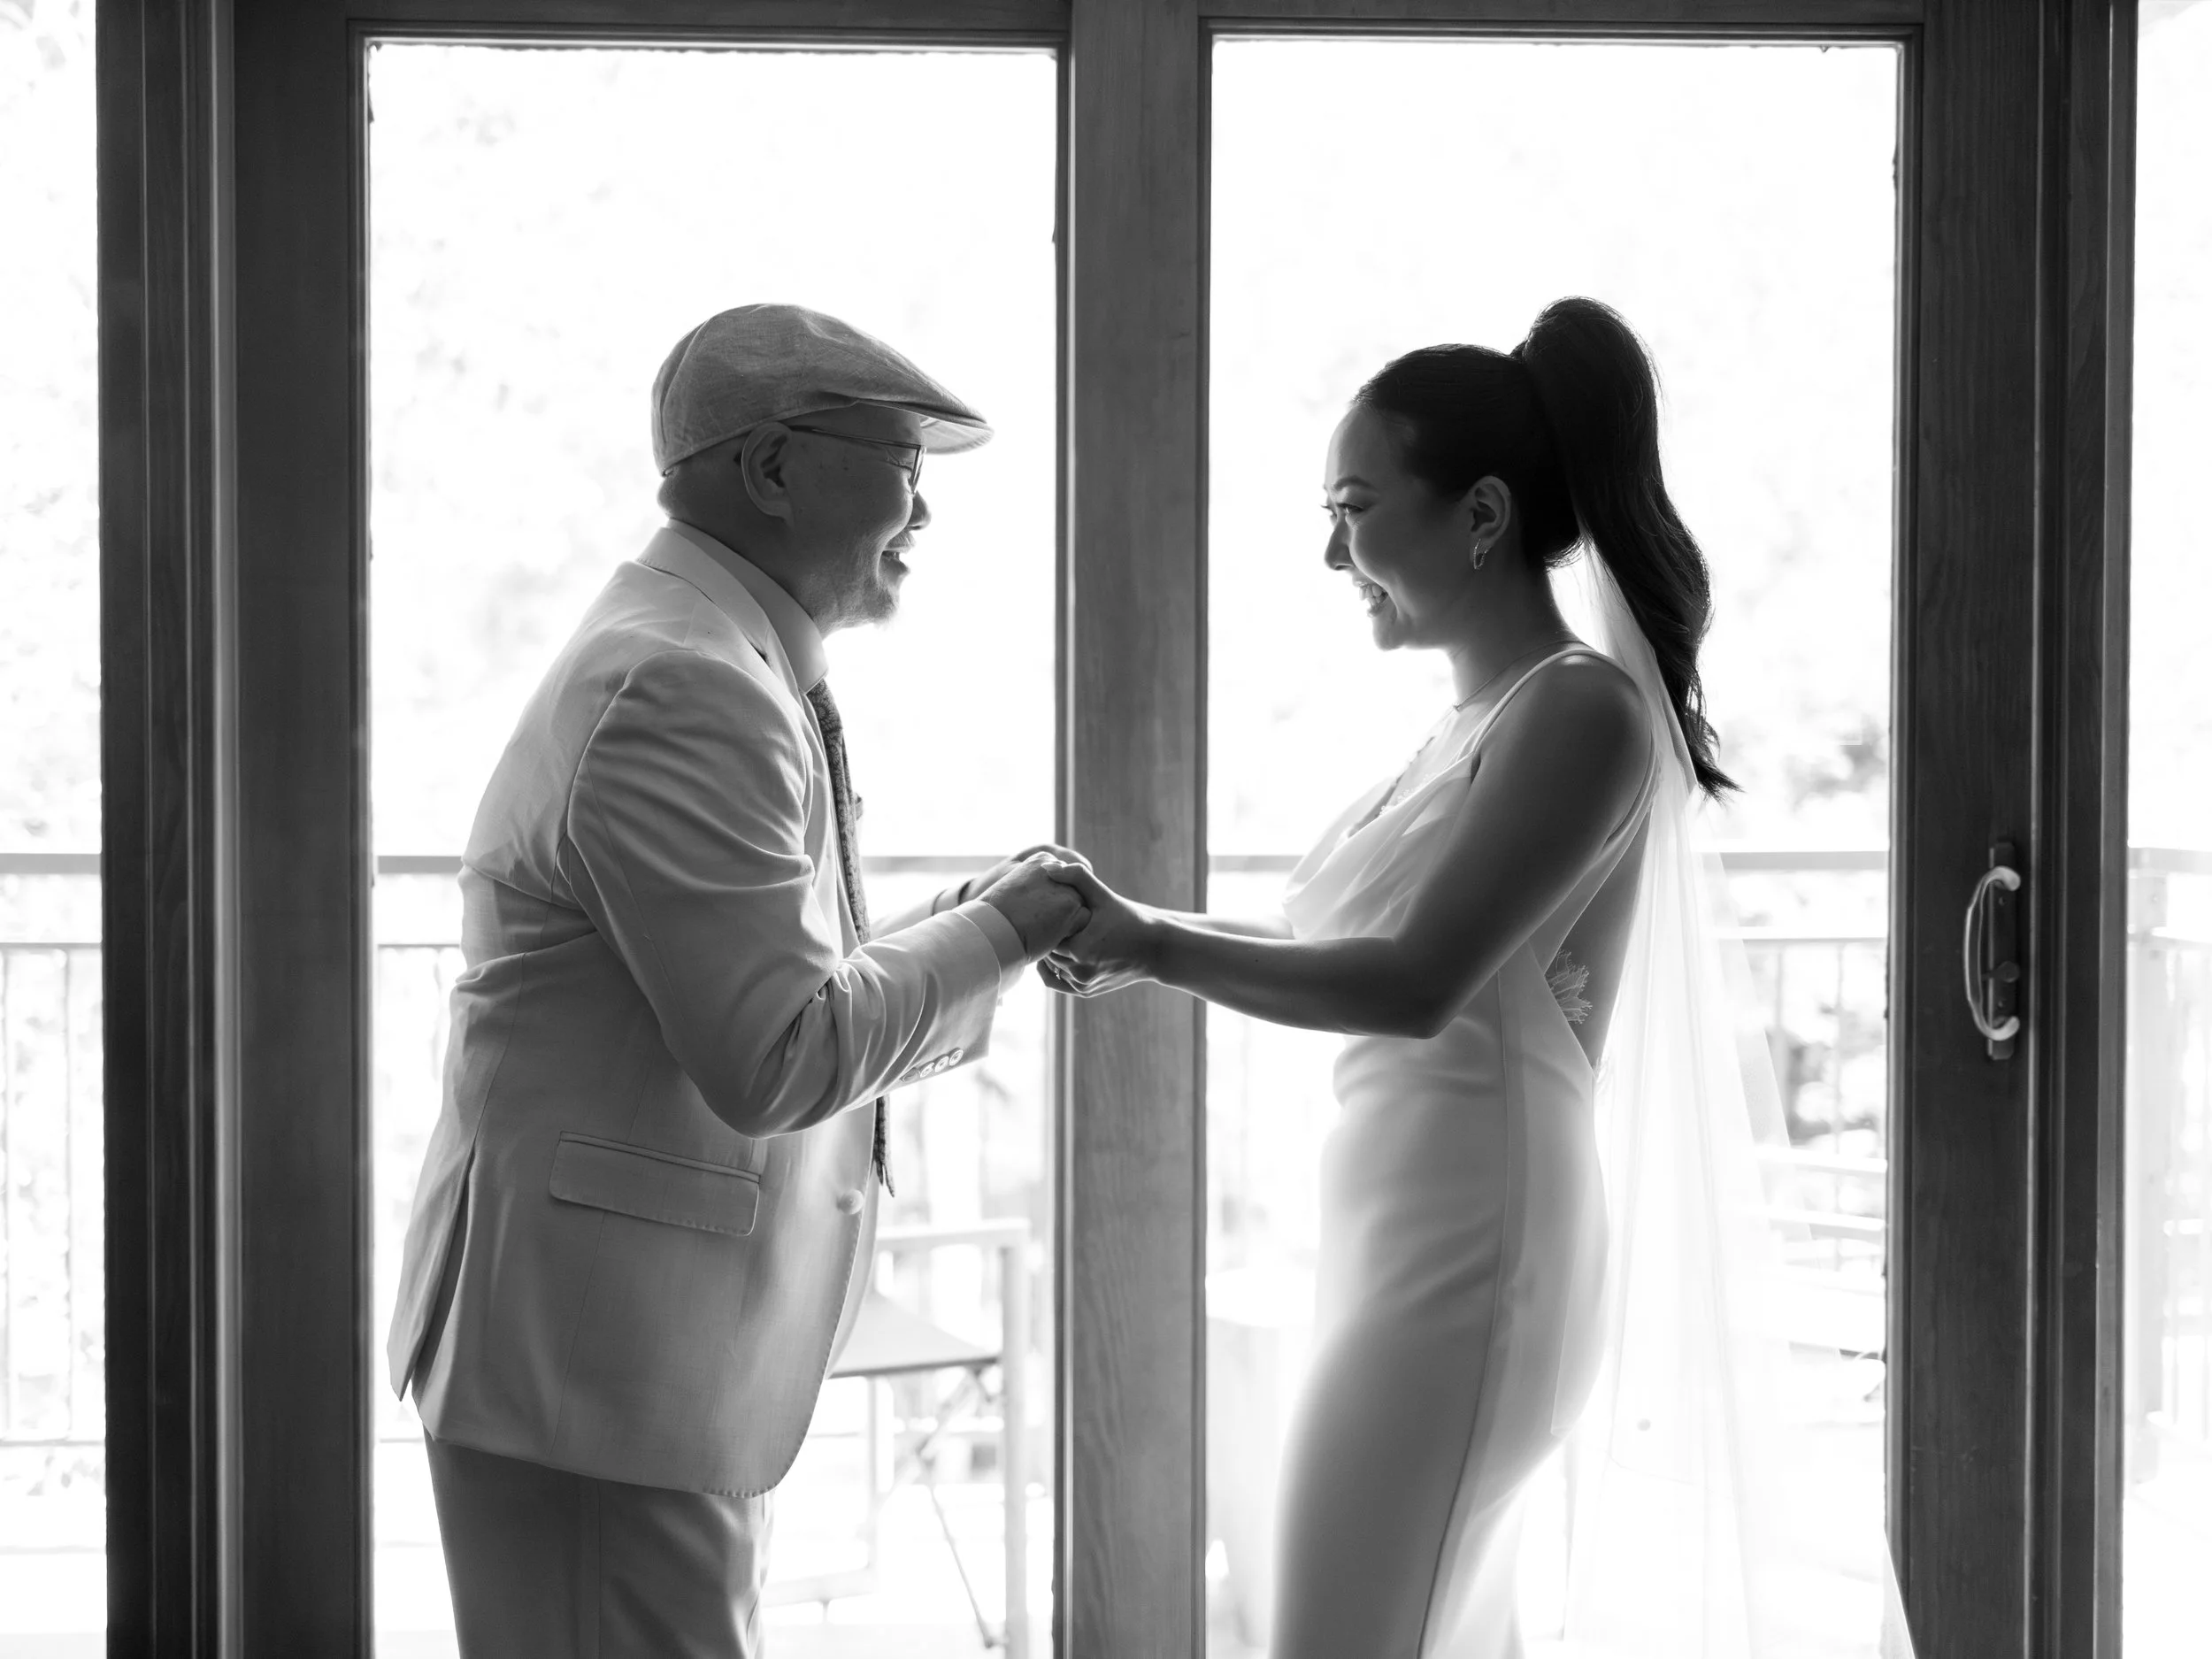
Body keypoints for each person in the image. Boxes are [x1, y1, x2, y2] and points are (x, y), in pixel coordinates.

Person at [1043, 298, 1914, 1657]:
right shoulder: (1477, 719)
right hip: (1408, 1242)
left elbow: (1415, 982)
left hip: (1474, 1259)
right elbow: (1333, 942)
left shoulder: (1580, 711)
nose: (1331, 552)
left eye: (1354, 509)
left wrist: (1150, 945)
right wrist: (1127, 917)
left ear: (1483, 514)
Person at [384, 303, 1088, 1658]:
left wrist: (973, 924)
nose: (924, 511)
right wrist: (1004, 931)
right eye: (903, 465)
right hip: (601, 1373)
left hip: (627, 1359)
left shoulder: (713, 656)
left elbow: (765, 982)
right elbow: (776, 1052)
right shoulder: (683, 683)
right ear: (770, 467)